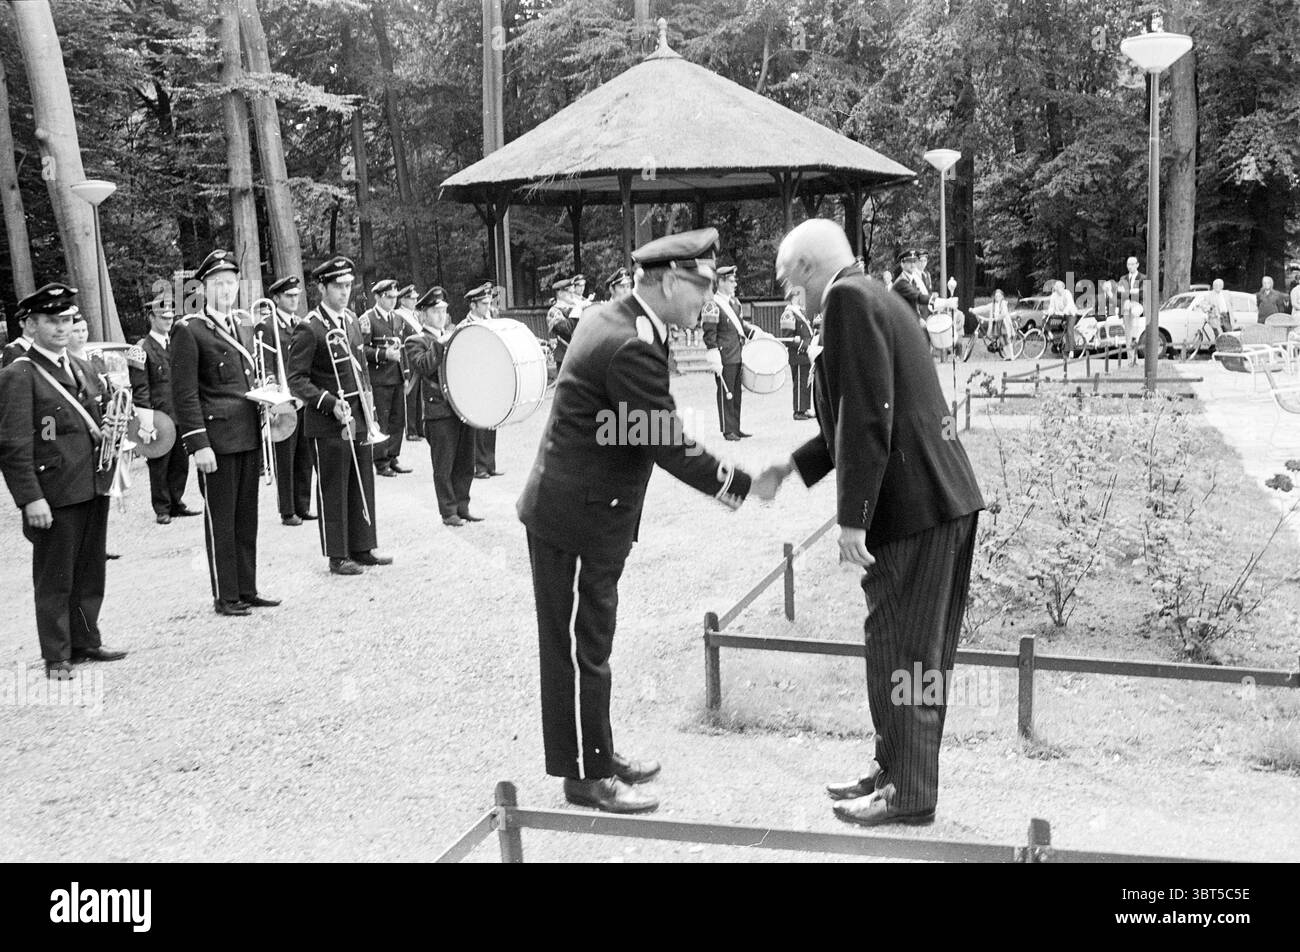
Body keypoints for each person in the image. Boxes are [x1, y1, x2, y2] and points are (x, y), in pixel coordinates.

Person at [518, 227, 777, 815]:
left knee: (588, 640)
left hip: (580, 511)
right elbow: (667, 440)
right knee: (585, 645)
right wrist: (739, 481)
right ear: (666, 280)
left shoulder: (618, 320)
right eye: (702, 287)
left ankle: (597, 752)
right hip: (578, 520)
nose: (708, 301)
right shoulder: (629, 342)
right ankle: (587, 775)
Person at [763, 218, 984, 828]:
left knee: (904, 653)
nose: (789, 297)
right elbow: (863, 407)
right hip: (938, 503)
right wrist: (794, 463)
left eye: (788, 282)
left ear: (809, 268)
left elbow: (869, 416)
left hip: (914, 509)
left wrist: (852, 521)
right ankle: (894, 772)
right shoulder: (874, 294)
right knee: (904, 650)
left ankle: (907, 793)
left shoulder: (846, 300)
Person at [0, 283, 129, 679]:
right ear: (32, 325)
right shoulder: (19, 373)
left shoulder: (82, 365)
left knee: (90, 570)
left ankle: (86, 639)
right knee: (55, 576)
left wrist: (110, 427)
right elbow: (13, 444)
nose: (61, 328)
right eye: (52, 321)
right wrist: (29, 499)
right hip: (54, 490)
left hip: (92, 482)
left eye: (67, 320)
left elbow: (94, 417)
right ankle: (56, 655)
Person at [171, 250, 278, 616]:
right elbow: (184, 394)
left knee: (246, 518)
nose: (226, 290)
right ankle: (226, 594)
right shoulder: (189, 329)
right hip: (216, 440)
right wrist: (198, 444)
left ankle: (247, 588)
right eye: (218, 283)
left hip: (248, 433)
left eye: (231, 283)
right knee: (221, 519)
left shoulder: (240, 325)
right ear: (202, 288)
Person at [288, 255, 392, 577]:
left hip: (357, 415)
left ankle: (362, 546)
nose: (345, 291)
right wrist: (328, 401)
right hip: (328, 421)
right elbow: (296, 379)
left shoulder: (349, 320)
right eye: (338, 286)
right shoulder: (310, 327)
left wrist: (368, 408)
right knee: (334, 486)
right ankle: (338, 554)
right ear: (322, 287)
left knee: (362, 481)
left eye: (348, 285)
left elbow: (359, 368)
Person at [405, 286, 478, 527]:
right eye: (435, 311)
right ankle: (448, 511)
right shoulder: (416, 340)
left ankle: (462, 505)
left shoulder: (453, 334)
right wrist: (441, 343)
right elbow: (423, 366)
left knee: (466, 461)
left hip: (462, 407)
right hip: (439, 412)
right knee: (444, 464)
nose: (441, 315)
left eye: (443, 310)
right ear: (423, 315)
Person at [129, 294, 198, 524]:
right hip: (157, 416)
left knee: (181, 462)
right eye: (163, 317)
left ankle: (176, 502)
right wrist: (145, 422)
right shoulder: (140, 349)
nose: (168, 321)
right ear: (151, 317)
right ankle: (162, 507)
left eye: (171, 316)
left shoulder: (177, 343)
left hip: (179, 414)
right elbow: (140, 389)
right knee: (159, 463)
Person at [255, 275, 315, 526]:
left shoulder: (301, 324)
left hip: (302, 396)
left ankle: (302, 505)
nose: (294, 300)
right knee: (285, 455)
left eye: (296, 295)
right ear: (277, 298)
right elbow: (264, 363)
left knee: (304, 454)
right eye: (289, 296)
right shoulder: (267, 326)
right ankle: (287, 509)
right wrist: (271, 396)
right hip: (283, 398)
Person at [702, 264, 758, 441]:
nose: (735, 284)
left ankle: (736, 427)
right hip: (724, 356)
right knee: (725, 393)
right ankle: (728, 429)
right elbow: (709, 334)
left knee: (736, 394)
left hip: (738, 354)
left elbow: (740, 327)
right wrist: (714, 354)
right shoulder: (712, 305)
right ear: (721, 282)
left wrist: (756, 333)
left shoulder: (734, 302)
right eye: (732, 281)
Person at [361, 279, 410, 478]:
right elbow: (362, 349)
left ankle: (393, 455)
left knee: (398, 420)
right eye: (388, 297)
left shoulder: (397, 318)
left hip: (396, 376)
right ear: (378, 297)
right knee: (382, 420)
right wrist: (382, 355)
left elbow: (402, 347)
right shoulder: (368, 319)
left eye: (395, 297)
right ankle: (381, 461)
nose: (392, 301)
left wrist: (405, 374)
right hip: (379, 377)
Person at [462, 282, 503, 479]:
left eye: (489, 303)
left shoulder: (492, 320)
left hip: (491, 376)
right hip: (476, 380)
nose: (489, 307)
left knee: (492, 422)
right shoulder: (465, 325)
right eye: (484, 304)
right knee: (478, 425)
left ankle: (489, 464)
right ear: (473, 305)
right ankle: (479, 466)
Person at [394, 283, 424, 443]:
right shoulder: (398, 315)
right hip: (407, 358)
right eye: (411, 299)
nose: (414, 301)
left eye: (415, 298)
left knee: (419, 395)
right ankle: (411, 430)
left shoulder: (416, 315)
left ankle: (419, 427)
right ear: (403, 300)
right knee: (410, 396)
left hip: (418, 356)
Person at [780, 286, 815, 419]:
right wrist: (803, 345)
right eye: (800, 296)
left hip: (806, 353)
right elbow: (788, 338)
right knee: (800, 382)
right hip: (798, 353)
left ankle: (805, 408)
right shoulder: (789, 313)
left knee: (806, 381)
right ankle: (798, 410)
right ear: (794, 297)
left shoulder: (801, 312)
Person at [546, 276, 580, 374]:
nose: (572, 295)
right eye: (569, 292)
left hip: (579, 354)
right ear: (560, 294)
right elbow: (566, 329)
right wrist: (576, 315)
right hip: (564, 355)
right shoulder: (554, 311)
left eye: (573, 292)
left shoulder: (574, 308)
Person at [891, 249, 931, 328]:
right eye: (909, 262)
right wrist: (941, 302)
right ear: (902, 264)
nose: (913, 265)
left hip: (906, 322)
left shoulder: (911, 280)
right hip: (899, 325)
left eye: (914, 261)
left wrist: (919, 318)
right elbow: (918, 297)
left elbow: (912, 303)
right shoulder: (902, 282)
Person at [1118, 256, 1146, 368]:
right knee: (1128, 334)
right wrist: (1130, 295)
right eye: (1128, 264)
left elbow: (1143, 293)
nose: (1130, 266)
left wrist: (1129, 294)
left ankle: (1137, 358)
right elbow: (1120, 293)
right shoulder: (1123, 278)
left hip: (1137, 307)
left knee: (1136, 333)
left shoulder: (1143, 278)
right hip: (1126, 307)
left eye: (1133, 264)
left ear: (1137, 264)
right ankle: (1131, 359)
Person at [990, 289, 1014, 360]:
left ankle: (1011, 355)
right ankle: (1007, 355)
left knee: (1007, 339)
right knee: (1001, 340)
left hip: (1004, 323)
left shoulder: (1003, 303)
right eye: (996, 296)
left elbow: (1004, 313)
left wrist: (997, 318)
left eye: (999, 296)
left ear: (1002, 296)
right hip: (998, 323)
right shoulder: (994, 304)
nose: (997, 297)